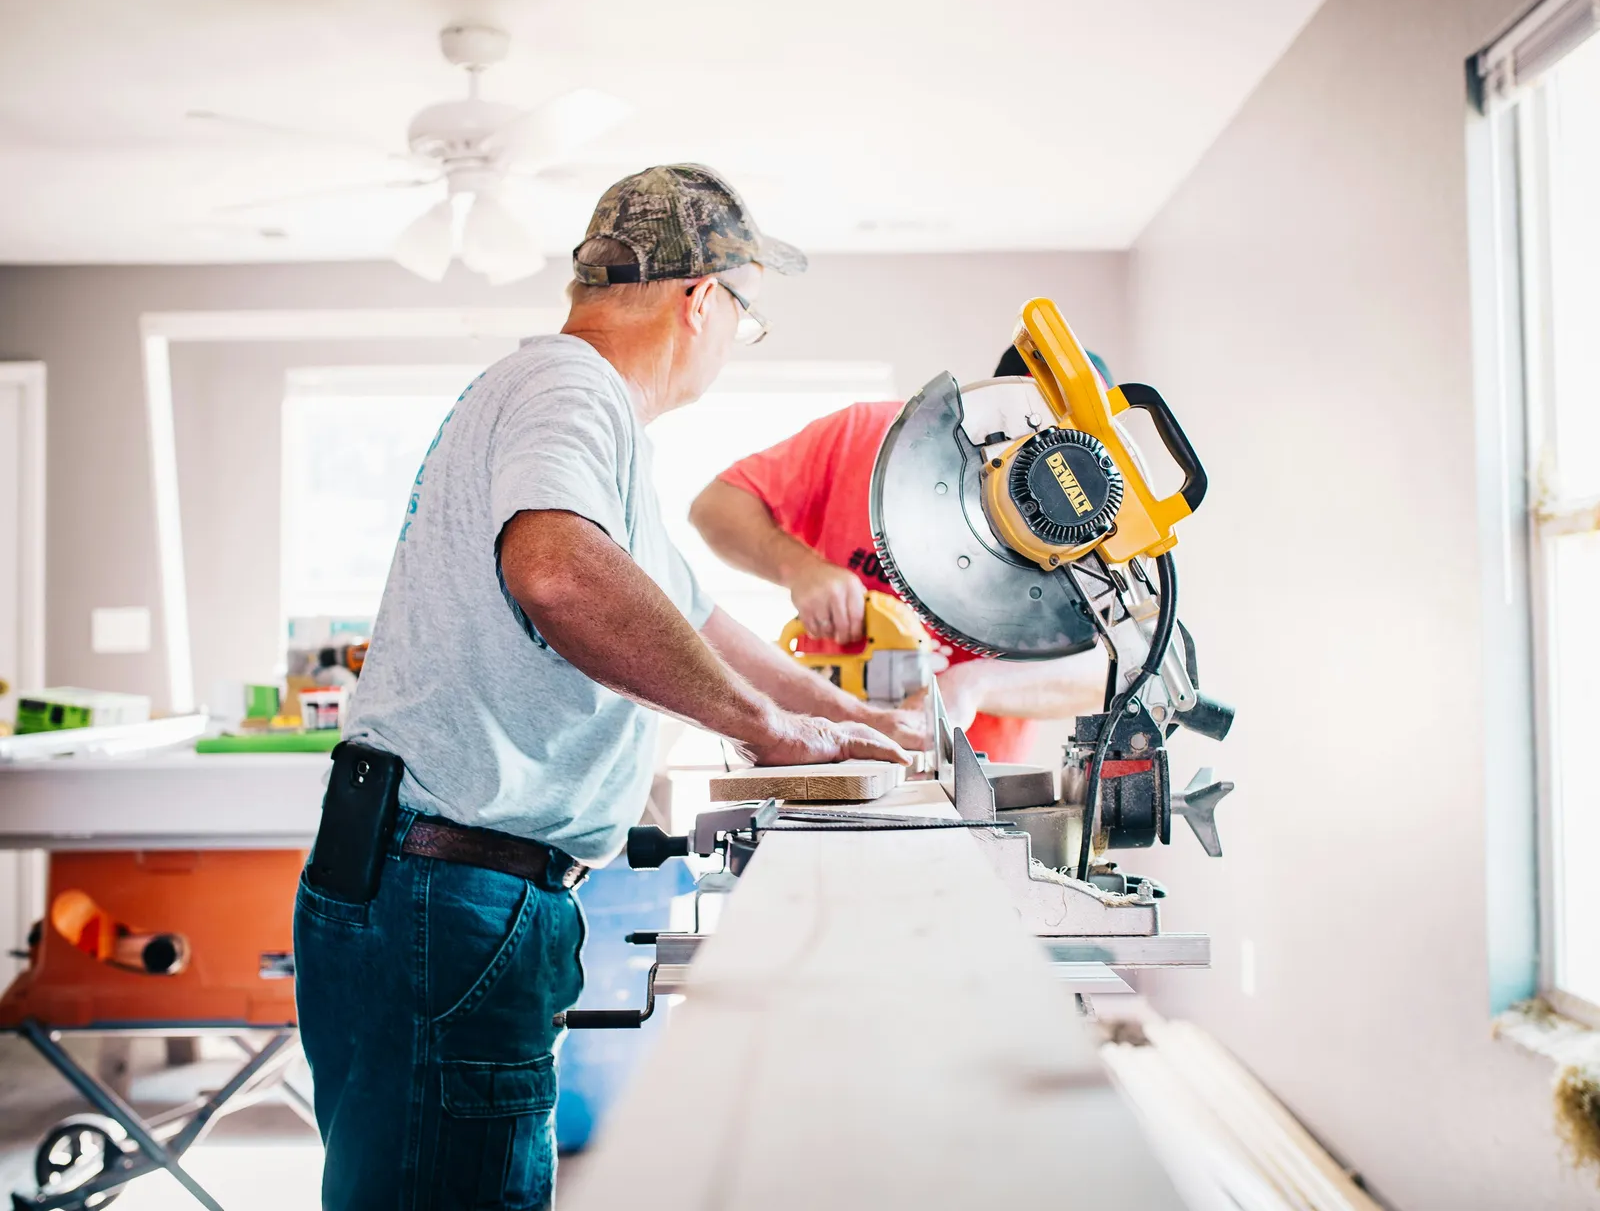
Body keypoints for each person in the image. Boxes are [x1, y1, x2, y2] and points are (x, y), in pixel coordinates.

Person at [293, 164, 919, 1211]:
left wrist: (846, 717)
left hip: (438, 884)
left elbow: (695, 615)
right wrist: (766, 729)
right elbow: (555, 569)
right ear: (703, 299)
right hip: (448, 893)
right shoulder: (570, 387)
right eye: (744, 318)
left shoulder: (578, 415)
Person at [689, 346, 1116, 764]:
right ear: (989, 400)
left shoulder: (1089, 530)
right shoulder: (865, 435)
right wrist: (798, 567)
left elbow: (1110, 672)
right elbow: (715, 507)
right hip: (823, 751)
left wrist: (975, 684)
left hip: (971, 777)